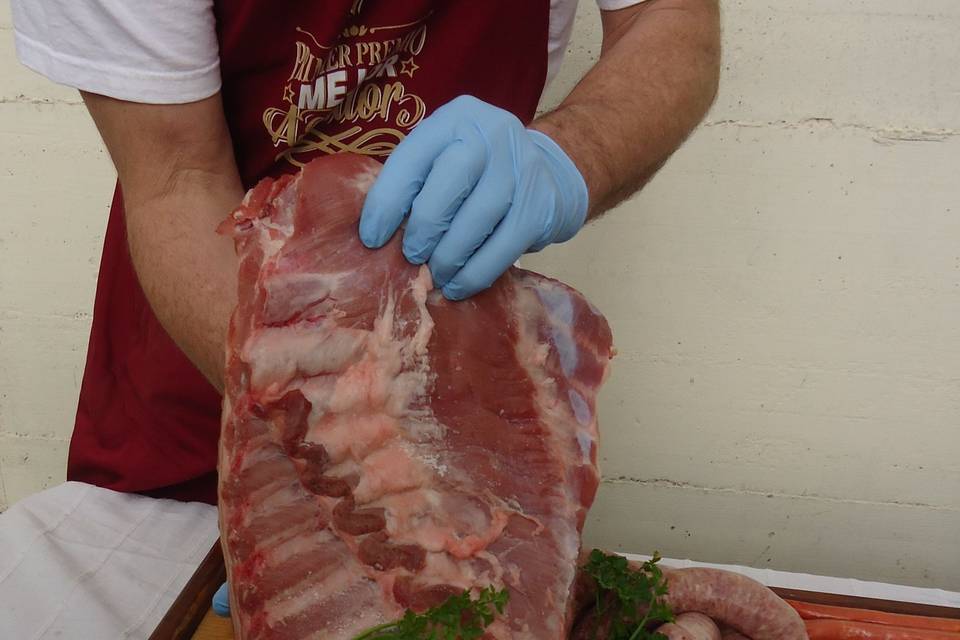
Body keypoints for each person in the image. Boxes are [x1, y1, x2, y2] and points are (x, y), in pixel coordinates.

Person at [11, 1, 719, 507]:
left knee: (466, 582)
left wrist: (567, 157)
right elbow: (176, 183)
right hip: (205, 391)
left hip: (456, 378)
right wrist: (334, 439)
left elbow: (669, 17)